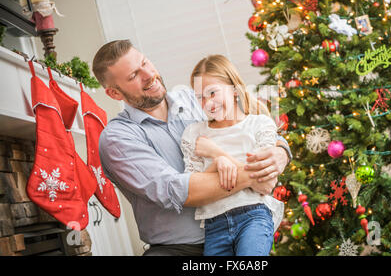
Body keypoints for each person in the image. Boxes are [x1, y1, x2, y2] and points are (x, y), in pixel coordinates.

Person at [93, 40, 292, 256]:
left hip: (245, 223)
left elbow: (252, 128)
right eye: (133, 76)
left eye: (145, 63)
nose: (148, 75)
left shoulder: (191, 99)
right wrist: (256, 177)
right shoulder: (117, 138)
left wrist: (281, 151)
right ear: (114, 93)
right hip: (180, 249)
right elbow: (178, 190)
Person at [181, 55, 284, 256]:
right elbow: (191, 189)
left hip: (253, 216)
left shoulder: (258, 125)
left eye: (213, 93)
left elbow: (264, 185)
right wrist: (217, 163)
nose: (208, 103)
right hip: (214, 226)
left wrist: (216, 153)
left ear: (234, 90)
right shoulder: (194, 134)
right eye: (200, 97)